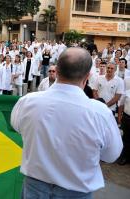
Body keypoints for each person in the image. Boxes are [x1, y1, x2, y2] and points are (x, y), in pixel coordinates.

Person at [11, 47, 123, 199]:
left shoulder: (27, 102)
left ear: (56, 70)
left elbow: (18, 127)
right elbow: (111, 155)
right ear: (88, 75)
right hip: (75, 190)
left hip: (35, 187)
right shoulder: (100, 113)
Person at [118, 76, 130, 165]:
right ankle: (124, 157)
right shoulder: (127, 93)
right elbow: (121, 105)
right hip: (127, 118)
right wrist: (119, 117)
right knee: (125, 138)